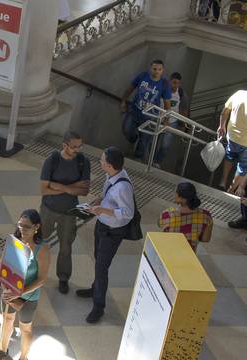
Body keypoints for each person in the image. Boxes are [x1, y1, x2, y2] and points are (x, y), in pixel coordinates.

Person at [77, 147, 135, 323]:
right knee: (98, 259)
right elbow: (108, 196)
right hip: (102, 225)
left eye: (102, 160)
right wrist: (98, 202)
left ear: (109, 165)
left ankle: (98, 306)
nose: (100, 162)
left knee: (102, 267)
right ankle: (95, 289)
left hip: (112, 231)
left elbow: (128, 212)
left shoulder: (123, 187)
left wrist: (103, 210)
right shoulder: (113, 175)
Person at [0, 210, 50, 360]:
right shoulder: (13, 242)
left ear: (37, 227)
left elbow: (41, 279)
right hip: (9, 291)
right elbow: (2, 266)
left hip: (28, 296)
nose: (22, 229)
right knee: (6, 321)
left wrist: (19, 292)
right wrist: (6, 288)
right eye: (20, 225)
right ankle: (2, 350)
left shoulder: (41, 249)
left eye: (27, 227)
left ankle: (23, 359)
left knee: (25, 329)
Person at [38, 132, 90, 294]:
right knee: (38, 241)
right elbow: (44, 189)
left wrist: (59, 186)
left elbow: (85, 191)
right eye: (74, 146)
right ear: (64, 146)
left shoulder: (83, 161)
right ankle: (30, 271)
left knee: (66, 246)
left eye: (79, 146)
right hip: (48, 209)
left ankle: (63, 278)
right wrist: (72, 188)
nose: (77, 149)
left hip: (69, 212)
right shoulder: (52, 160)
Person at [120, 59, 172, 161]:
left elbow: (167, 105)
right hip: (135, 110)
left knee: (144, 141)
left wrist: (166, 120)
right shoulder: (143, 76)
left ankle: (136, 160)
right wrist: (123, 101)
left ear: (162, 70)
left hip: (150, 117)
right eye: (154, 69)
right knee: (127, 130)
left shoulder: (164, 84)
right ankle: (133, 141)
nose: (156, 71)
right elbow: (130, 89)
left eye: (159, 69)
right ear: (150, 68)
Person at [159, 182, 213, 251]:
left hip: (169, 251)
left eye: (175, 192)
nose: (174, 194)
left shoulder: (167, 214)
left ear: (181, 198)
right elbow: (205, 239)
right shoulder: (206, 216)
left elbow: (160, 226)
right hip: (189, 254)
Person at [220, 83, 247, 193]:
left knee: (229, 157)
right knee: (243, 168)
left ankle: (223, 181)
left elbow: (225, 111)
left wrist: (221, 126)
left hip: (232, 136)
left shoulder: (239, 94)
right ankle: (231, 190)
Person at [155, 72, 188, 163]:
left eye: (178, 83)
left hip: (172, 122)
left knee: (166, 145)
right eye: (173, 82)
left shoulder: (181, 93)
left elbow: (184, 109)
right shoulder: (162, 89)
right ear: (169, 81)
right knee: (153, 141)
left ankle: (157, 161)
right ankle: (150, 160)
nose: (175, 85)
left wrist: (183, 125)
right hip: (158, 119)